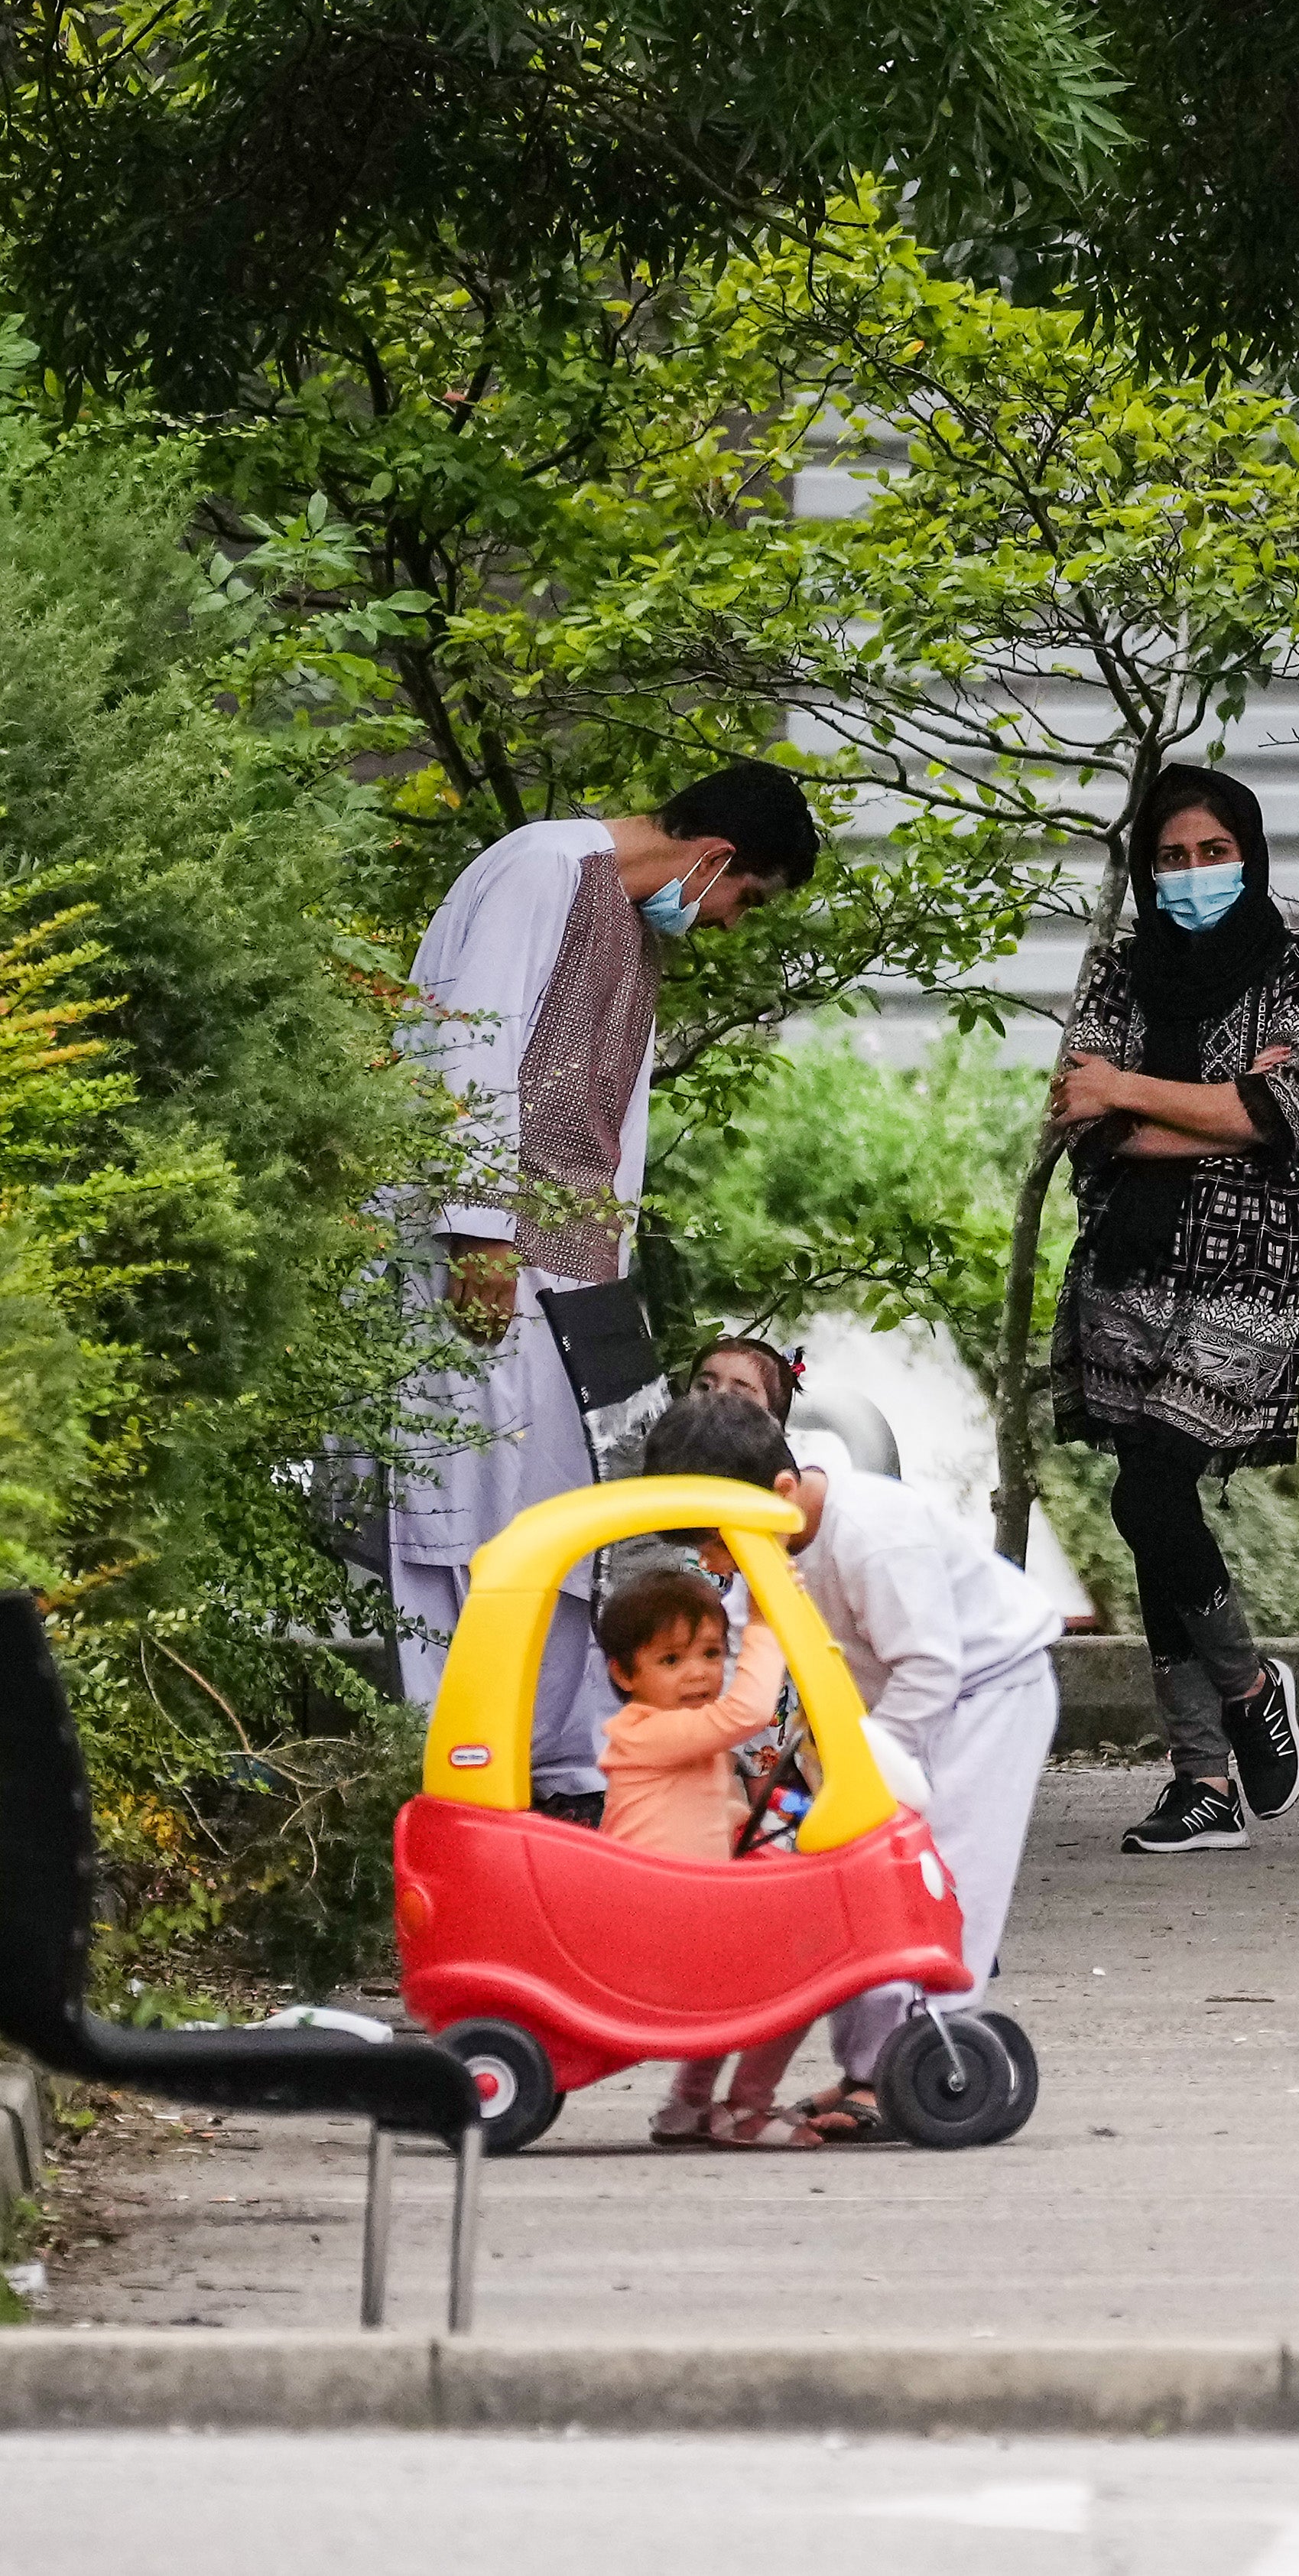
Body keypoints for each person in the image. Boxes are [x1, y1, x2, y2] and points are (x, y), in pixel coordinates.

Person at [386, 763, 819, 1820]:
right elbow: (468, 1053)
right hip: (480, 1257)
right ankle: (467, 1778)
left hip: (578, 1273)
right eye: (743, 900)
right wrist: (479, 1234)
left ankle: (571, 1779)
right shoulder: (543, 868)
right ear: (714, 856)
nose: (725, 923)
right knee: (469, 1518)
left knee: (579, 1522)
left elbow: (603, 1129)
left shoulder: (635, 924)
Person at [1048, 764, 1299, 1854]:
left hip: (1245, 1275)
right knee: (1144, 1505)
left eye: (1212, 852)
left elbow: (1293, 1106)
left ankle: (1253, 1687)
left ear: (1251, 854)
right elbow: (1086, 1126)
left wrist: (1132, 1090)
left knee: (1160, 1488)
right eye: (1171, 858)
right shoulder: (1120, 974)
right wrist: (1215, 1112)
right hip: (1126, 1274)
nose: (1192, 874)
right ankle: (1204, 1780)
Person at [641, 1389, 1063, 2148]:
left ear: (776, 1495)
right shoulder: (763, 1542)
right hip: (880, 1710)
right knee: (842, 1876)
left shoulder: (873, 1532)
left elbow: (931, 1666)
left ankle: (921, 2051)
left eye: (712, 1541)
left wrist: (864, 1768)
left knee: (938, 1875)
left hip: (984, 1691)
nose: (709, 1561)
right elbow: (746, 1662)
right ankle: (873, 2062)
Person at [589, 1564, 817, 2149]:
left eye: (712, 1653)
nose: (697, 1673)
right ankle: (747, 2106)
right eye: (671, 1661)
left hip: (684, 1911)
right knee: (811, 1967)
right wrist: (765, 1622)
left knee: (771, 1924)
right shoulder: (645, 1731)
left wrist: (795, 1801)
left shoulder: (689, 1737)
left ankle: (688, 2106)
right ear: (623, 1673)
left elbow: (731, 1824)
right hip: (659, 1924)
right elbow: (747, 1713)